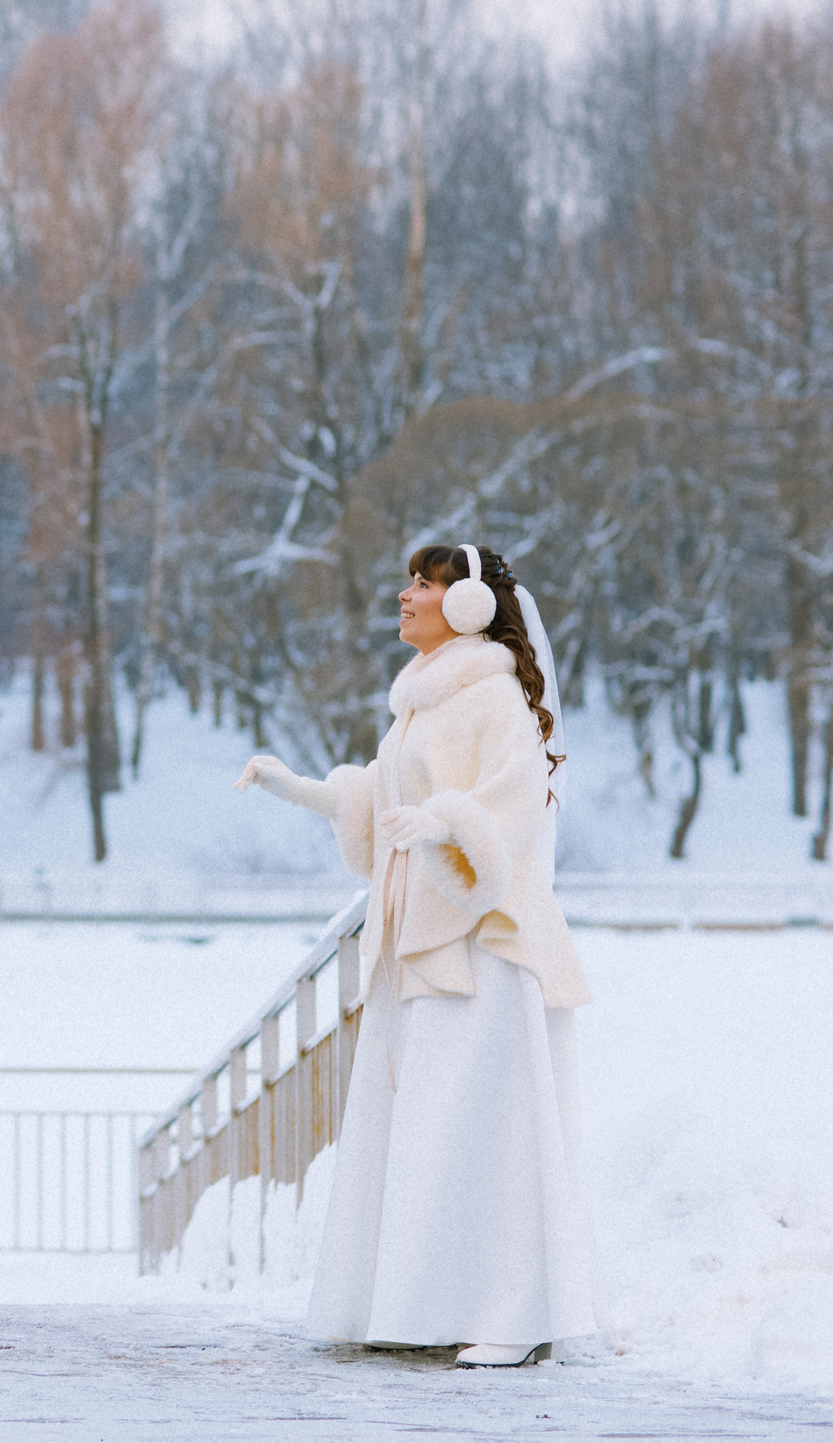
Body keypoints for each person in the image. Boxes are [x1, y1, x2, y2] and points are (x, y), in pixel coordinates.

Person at [233, 544, 598, 1369]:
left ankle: (516, 1311)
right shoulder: (422, 704)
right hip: (424, 936)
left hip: (484, 940)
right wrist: (298, 786)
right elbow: (383, 798)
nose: (403, 595)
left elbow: (509, 807)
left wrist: (444, 824)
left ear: (467, 602)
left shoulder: (494, 695)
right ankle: (424, 1302)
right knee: (427, 1127)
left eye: (424, 584)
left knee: (489, 1127)